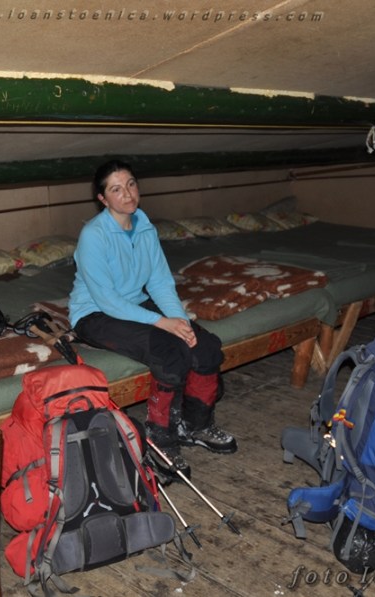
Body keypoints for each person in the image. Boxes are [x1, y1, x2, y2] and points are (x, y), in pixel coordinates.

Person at [68, 159, 236, 480]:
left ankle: (196, 426)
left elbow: (159, 282)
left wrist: (180, 322)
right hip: (95, 314)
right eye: (116, 189)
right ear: (103, 199)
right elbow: (107, 299)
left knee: (205, 347)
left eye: (131, 184)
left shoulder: (144, 227)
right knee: (169, 353)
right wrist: (160, 323)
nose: (127, 194)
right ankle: (161, 441)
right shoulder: (94, 235)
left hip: (132, 304)